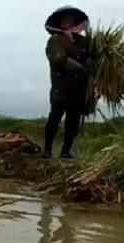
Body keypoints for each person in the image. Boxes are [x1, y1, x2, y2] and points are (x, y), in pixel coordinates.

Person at [42, 6, 91, 159]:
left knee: (73, 121)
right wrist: (81, 69)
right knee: (55, 117)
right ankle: (47, 149)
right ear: (60, 23)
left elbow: (93, 56)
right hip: (61, 86)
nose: (68, 23)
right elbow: (59, 59)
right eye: (65, 21)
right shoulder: (56, 40)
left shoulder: (83, 42)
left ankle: (65, 151)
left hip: (78, 89)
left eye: (70, 20)